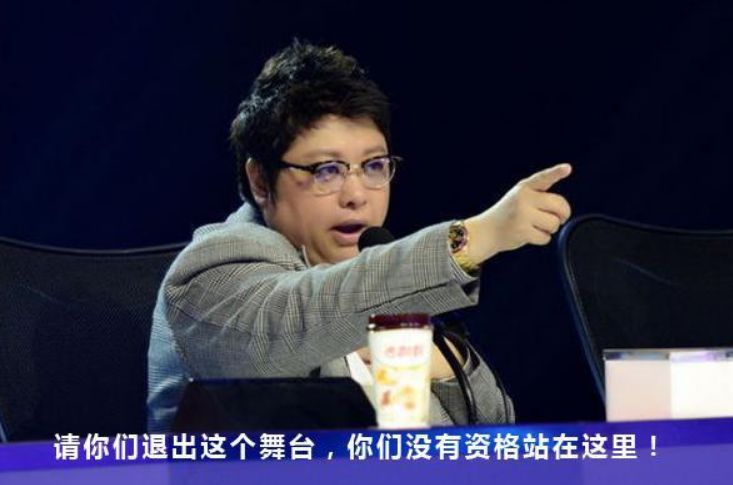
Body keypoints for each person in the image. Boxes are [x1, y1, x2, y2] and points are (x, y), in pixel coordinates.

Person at [147, 40, 572, 431]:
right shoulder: (211, 269)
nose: (356, 195)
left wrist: (448, 361)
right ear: (260, 180)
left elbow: (491, 427)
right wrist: (472, 239)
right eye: (326, 170)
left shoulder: (374, 281)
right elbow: (290, 323)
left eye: (373, 166)